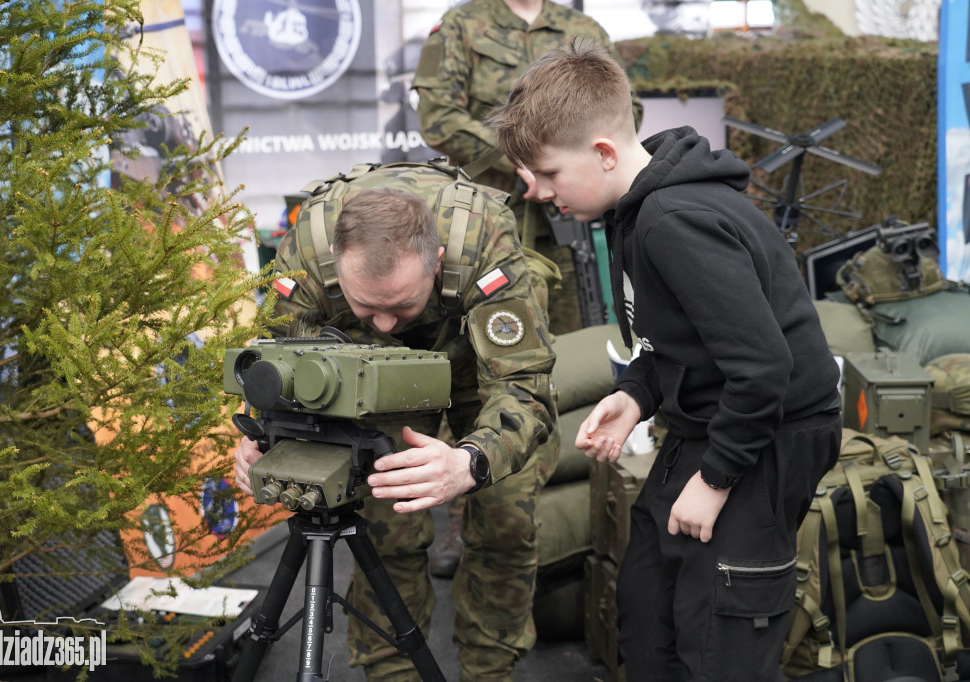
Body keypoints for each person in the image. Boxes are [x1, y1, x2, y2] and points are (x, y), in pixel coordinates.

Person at [490, 41, 843, 680]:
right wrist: (635, 394)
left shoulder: (674, 220)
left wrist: (714, 481)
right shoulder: (633, 209)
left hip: (766, 435)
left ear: (602, 152)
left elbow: (765, 367)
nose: (538, 194)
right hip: (707, 423)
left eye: (547, 174)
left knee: (719, 633)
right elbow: (671, 339)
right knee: (647, 608)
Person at [233, 170, 559, 682]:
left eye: (401, 305)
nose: (386, 322)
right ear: (337, 272)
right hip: (364, 364)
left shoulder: (481, 240)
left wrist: (471, 461)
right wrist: (258, 438)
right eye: (369, 305)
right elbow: (281, 369)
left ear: (439, 264)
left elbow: (524, 388)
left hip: (472, 347)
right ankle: (393, 673)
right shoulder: (307, 254)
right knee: (390, 527)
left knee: (507, 522)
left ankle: (490, 670)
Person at [411, 0, 643, 578]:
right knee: (472, 369)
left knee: (550, 368)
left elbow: (621, 112)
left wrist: (562, 162)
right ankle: (466, 515)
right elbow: (438, 117)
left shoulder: (584, 29)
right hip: (481, 225)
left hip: (560, 234)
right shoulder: (461, 25)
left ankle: (545, 510)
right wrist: (522, 158)